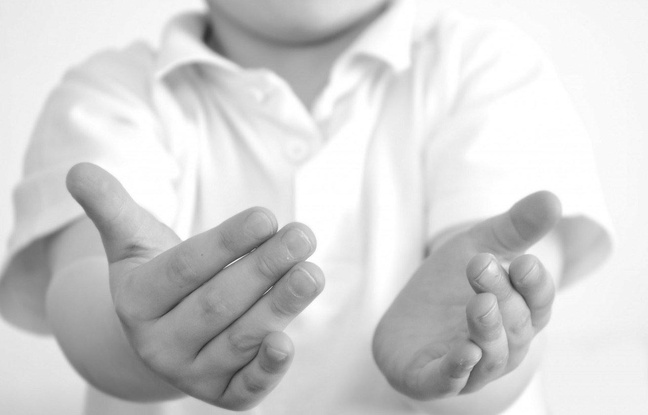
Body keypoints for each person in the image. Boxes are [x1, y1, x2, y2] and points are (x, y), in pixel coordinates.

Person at [0, 0, 612, 414]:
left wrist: (465, 359)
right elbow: (86, 293)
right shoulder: (110, 94)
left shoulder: (488, 66)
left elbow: (512, 334)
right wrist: (144, 337)